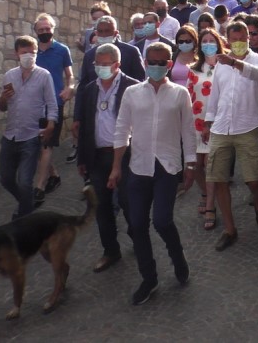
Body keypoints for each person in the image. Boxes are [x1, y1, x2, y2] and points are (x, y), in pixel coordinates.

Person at [109, 42, 195, 305]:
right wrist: (116, 166)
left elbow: (188, 131)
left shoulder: (180, 93)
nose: (156, 67)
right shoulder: (132, 93)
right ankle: (149, 278)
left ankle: (178, 257)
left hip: (167, 166)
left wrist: (191, 164)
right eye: (152, 62)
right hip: (139, 166)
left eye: (162, 63)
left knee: (162, 221)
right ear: (145, 63)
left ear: (169, 64)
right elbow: (122, 130)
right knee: (137, 225)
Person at [202, 22, 258, 251]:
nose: (239, 42)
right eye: (235, 39)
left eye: (243, 38)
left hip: (247, 126)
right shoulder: (220, 64)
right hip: (221, 127)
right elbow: (215, 94)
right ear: (228, 40)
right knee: (219, 178)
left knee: (253, 179)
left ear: (249, 38)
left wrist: (235, 63)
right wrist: (208, 121)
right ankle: (230, 229)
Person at [74, 43, 138, 273]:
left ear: (117, 64)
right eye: (97, 64)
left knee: (129, 203)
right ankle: (110, 250)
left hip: (127, 156)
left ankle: (138, 238)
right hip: (98, 156)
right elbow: (84, 126)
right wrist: (82, 159)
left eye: (105, 64)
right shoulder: (89, 89)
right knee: (101, 206)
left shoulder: (133, 87)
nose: (100, 68)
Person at [0, 36, 58, 219]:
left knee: (25, 182)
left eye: (33, 52)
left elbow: (52, 103)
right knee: (6, 179)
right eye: (25, 52)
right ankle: (27, 204)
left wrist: (51, 124)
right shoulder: (9, 76)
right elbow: (2, 107)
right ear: (17, 53)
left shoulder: (44, 75)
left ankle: (24, 218)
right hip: (10, 136)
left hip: (31, 136)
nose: (29, 56)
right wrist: (3, 99)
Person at [32, 13, 73, 206]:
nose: (44, 32)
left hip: (54, 103)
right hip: (34, 103)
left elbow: (69, 75)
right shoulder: (32, 51)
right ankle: (54, 175)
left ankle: (39, 188)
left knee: (46, 144)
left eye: (47, 29)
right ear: (35, 31)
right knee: (37, 144)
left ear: (53, 29)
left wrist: (69, 88)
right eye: (41, 30)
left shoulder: (62, 50)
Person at [186, 29, 225, 231]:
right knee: (196, 165)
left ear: (218, 43)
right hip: (195, 120)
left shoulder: (225, 66)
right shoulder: (193, 68)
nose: (208, 44)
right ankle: (204, 192)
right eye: (204, 41)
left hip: (216, 121)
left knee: (210, 165)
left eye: (212, 41)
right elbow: (188, 95)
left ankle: (210, 205)